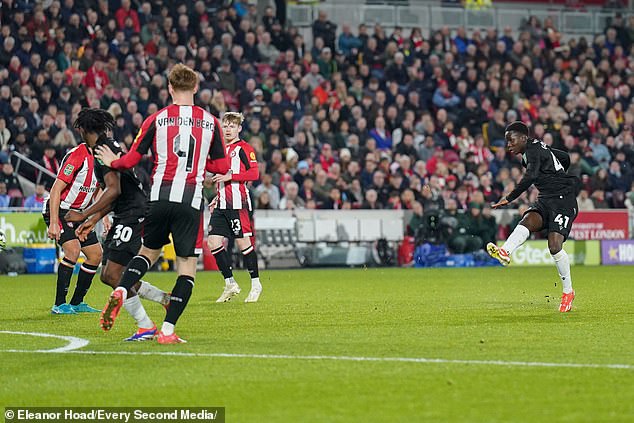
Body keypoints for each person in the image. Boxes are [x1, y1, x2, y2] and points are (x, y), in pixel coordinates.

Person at [95, 64, 229, 344]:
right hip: (189, 199)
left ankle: (121, 289)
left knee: (147, 254)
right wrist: (204, 167)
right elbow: (222, 165)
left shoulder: (157, 119)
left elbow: (132, 159)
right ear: (195, 88)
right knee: (186, 267)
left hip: (158, 197)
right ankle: (167, 331)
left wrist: (112, 162)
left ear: (169, 88)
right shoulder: (211, 122)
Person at [64, 108, 170, 342]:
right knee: (115, 274)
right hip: (129, 211)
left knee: (112, 274)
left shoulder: (102, 151)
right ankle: (166, 300)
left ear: (82, 129)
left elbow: (114, 190)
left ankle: (146, 326)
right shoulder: (106, 147)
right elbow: (116, 195)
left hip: (134, 213)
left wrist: (82, 213)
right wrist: (92, 220)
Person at [488, 121, 579, 313]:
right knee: (528, 220)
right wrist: (558, 169)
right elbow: (564, 157)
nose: (508, 145)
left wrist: (509, 198)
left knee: (554, 246)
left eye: (511, 141)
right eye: (507, 142)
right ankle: (505, 251)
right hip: (546, 198)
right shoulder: (535, 150)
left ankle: (568, 292)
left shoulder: (533, 151)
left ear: (523, 138)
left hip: (563, 200)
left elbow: (529, 178)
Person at [43, 118, 103, 315]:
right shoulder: (77, 155)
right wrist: (53, 222)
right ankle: (59, 304)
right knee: (73, 250)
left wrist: (102, 217)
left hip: (79, 215)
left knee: (95, 255)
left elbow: (100, 189)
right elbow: (55, 190)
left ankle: (77, 303)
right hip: (60, 210)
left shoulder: (102, 157)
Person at [208, 112, 262, 303]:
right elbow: (217, 174)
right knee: (213, 242)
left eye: (232, 126)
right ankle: (230, 283)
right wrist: (217, 196)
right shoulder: (220, 150)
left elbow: (254, 173)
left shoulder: (244, 148)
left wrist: (230, 176)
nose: (228, 129)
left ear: (239, 128)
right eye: (226, 125)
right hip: (222, 203)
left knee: (243, 244)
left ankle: (256, 284)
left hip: (238, 203)